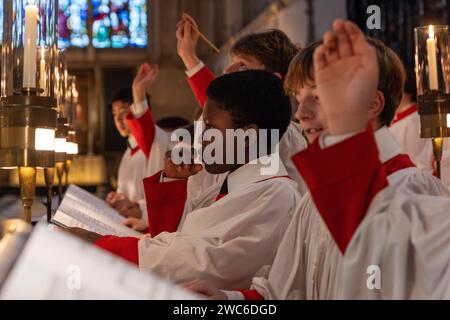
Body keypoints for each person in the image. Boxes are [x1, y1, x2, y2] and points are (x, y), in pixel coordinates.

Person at [183, 21, 450, 300]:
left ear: (372, 104)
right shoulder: (315, 198)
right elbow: (280, 291)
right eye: (299, 98)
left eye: (319, 97)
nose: (301, 114)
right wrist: (228, 300)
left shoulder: (410, 188)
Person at [66, 70, 302, 290]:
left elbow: (204, 264)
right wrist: (171, 182)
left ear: (248, 137)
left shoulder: (277, 195)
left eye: (210, 128)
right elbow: (177, 235)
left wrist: (101, 244)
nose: (200, 141)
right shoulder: (229, 184)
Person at [105, 88, 163, 222]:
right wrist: (117, 198)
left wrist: (134, 206)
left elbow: (161, 197)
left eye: (124, 112)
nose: (118, 119)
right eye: (114, 114)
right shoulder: (128, 152)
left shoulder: (155, 145)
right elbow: (125, 193)